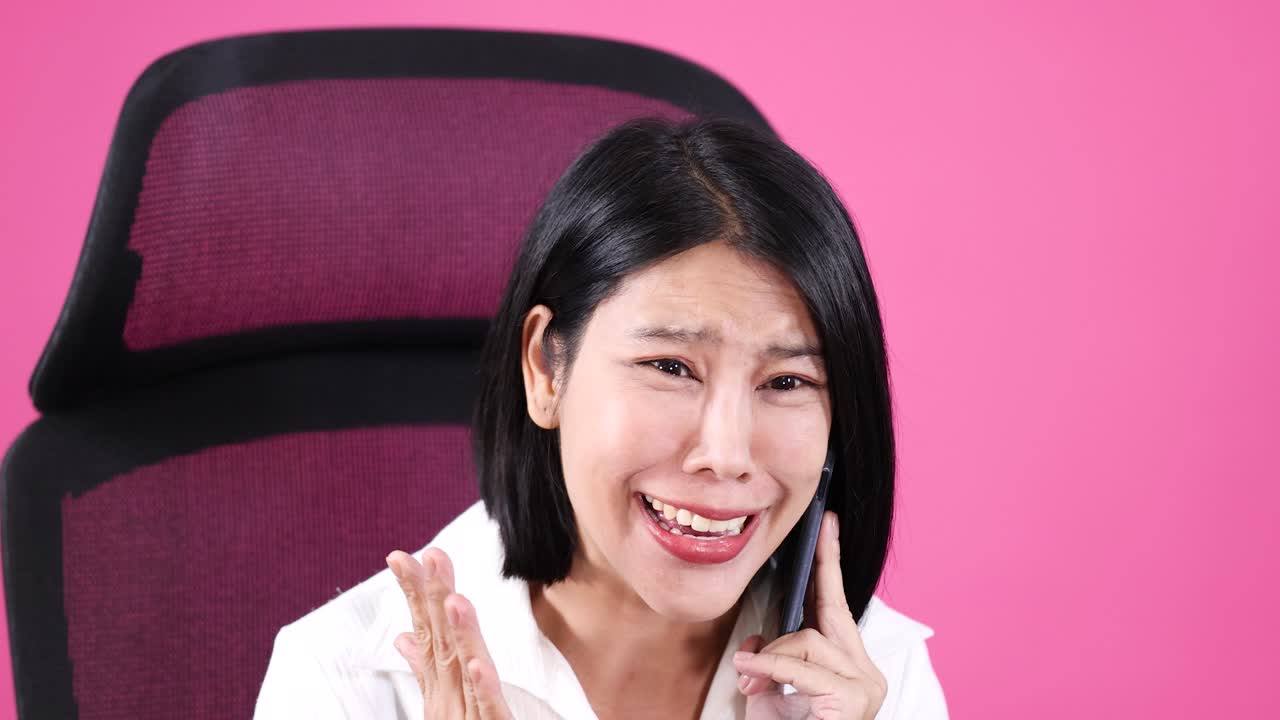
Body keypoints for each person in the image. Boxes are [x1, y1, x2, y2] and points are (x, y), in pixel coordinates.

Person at [254, 117, 949, 719]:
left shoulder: (872, 683)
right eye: (670, 367)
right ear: (544, 370)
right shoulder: (343, 682)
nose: (727, 452)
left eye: (789, 380)